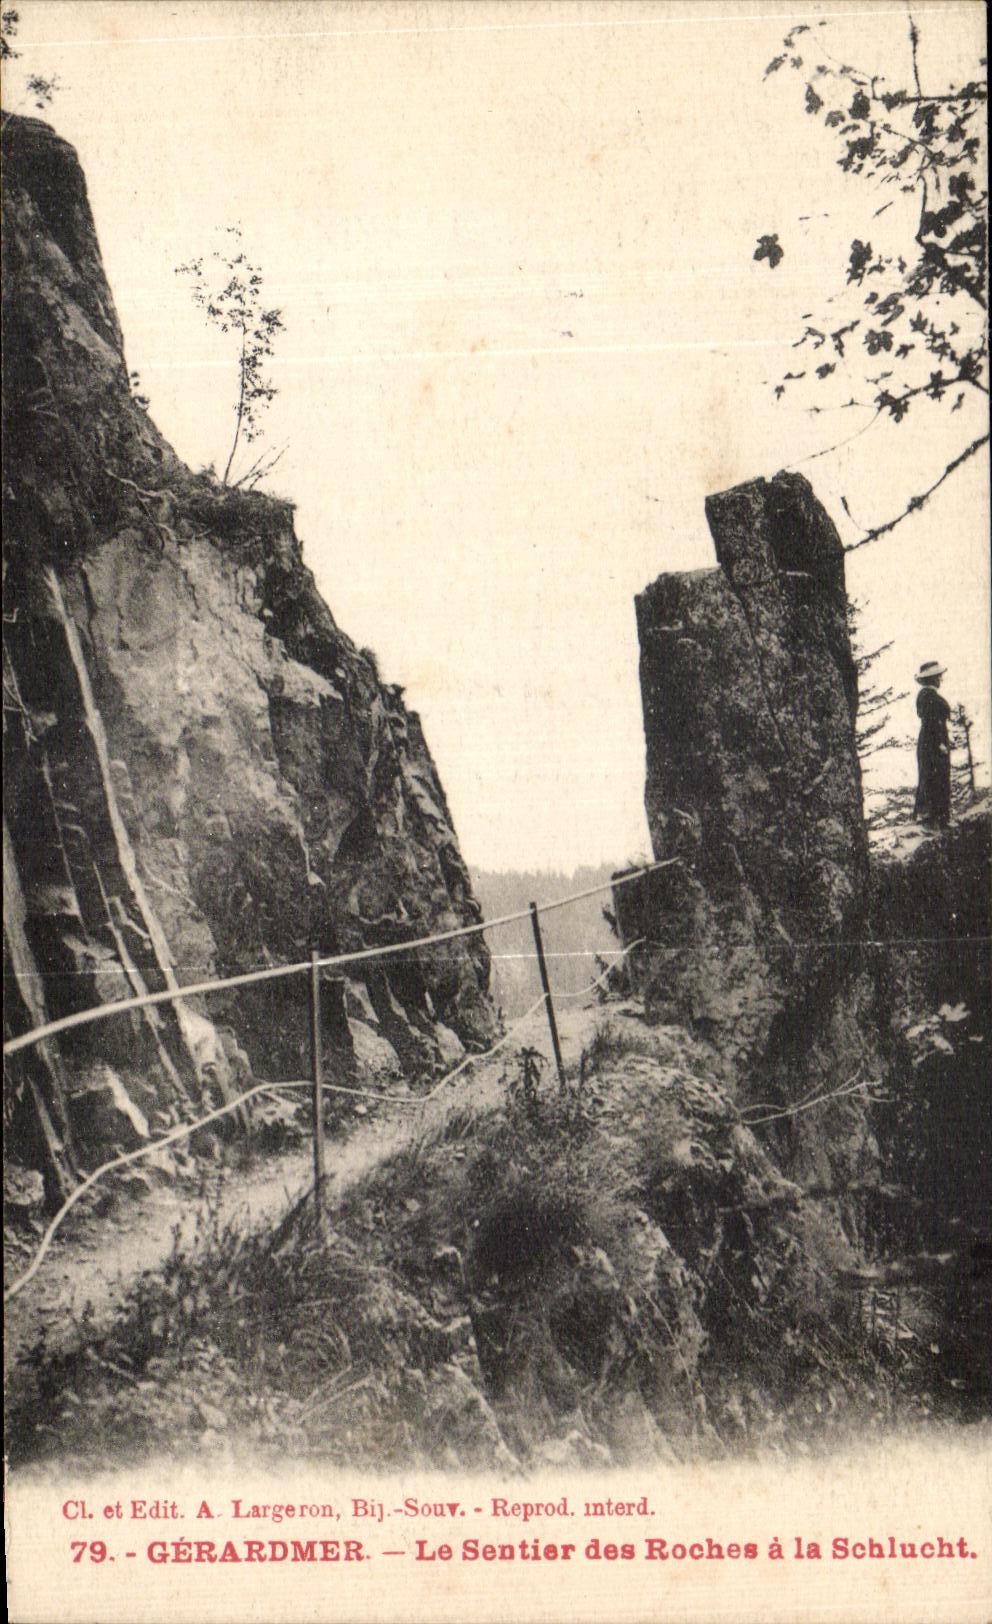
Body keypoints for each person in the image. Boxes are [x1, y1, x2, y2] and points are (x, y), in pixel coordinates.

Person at [913, 660, 952, 829]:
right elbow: (932, 723)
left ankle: (935, 818)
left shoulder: (927, 696)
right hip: (933, 743)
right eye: (938, 677)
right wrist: (940, 744)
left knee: (932, 776)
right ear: (932, 679)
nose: (940, 680)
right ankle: (933, 819)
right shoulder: (929, 697)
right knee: (935, 777)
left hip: (929, 743)